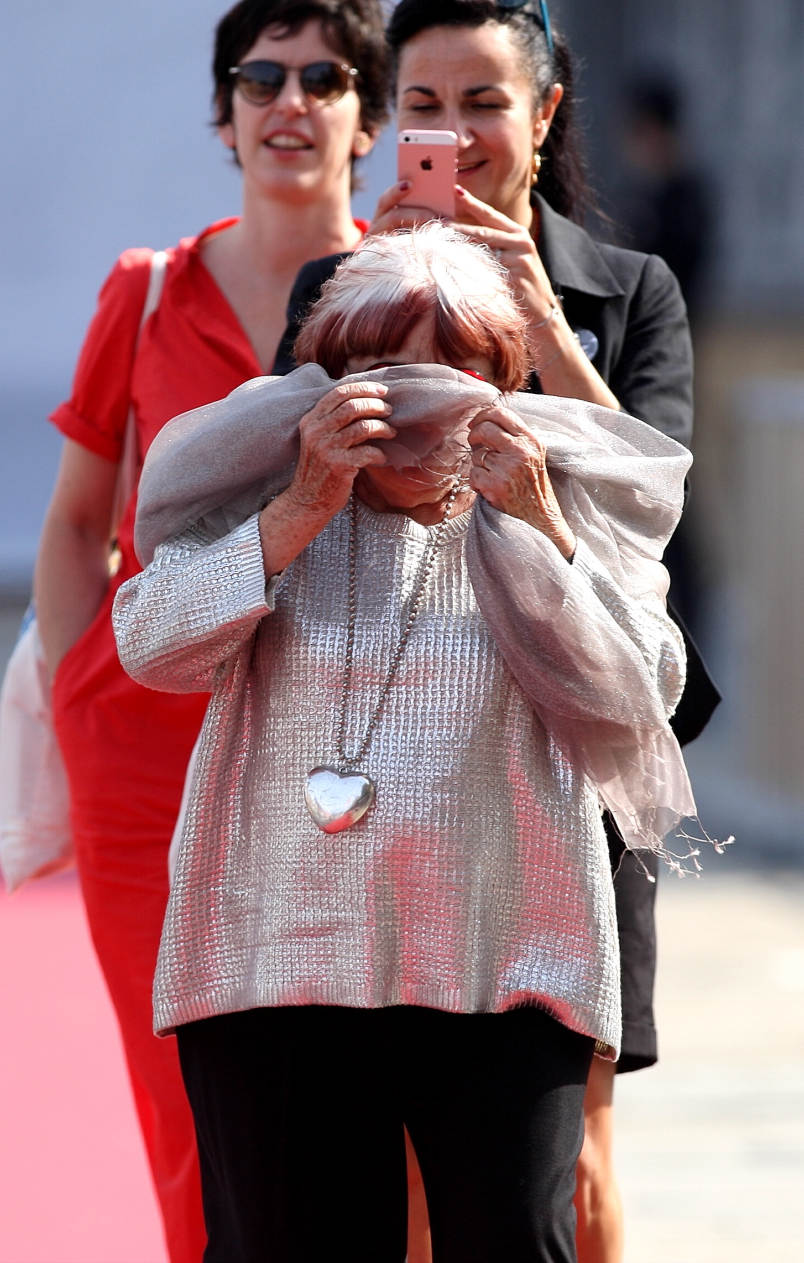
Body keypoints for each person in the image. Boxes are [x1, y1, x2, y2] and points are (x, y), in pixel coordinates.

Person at [112, 223, 695, 1263]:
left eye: (455, 364)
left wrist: (542, 527)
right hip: (277, 961)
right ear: (326, 380)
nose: (421, 395)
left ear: (502, 377)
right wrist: (299, 508)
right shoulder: (267, 490)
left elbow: (641, 692)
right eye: (383, 363)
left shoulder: (556, 493)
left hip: (507, 962)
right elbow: (149, 643)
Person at [273, 0, 719, 1263]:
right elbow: (288, 476)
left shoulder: (626, 291)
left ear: (545, 111)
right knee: (407, 1154)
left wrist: (534, 316)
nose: (454, 132)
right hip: (393, 740)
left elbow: (656, 497)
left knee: (572, 1143)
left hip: (569, 744)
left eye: (484, 101)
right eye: (422, 102)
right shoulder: (338, 289)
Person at [32, 0, 388, 1263]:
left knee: (368, 1122)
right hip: (147, 764)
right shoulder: (144, 290)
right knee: (184, 1112)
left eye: (324, 77)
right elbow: (79, 520)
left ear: (368, 120)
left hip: (342, 766)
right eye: (261, 77)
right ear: (226, 117)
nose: (289, 101)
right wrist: (85, 692)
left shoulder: (406, 297)